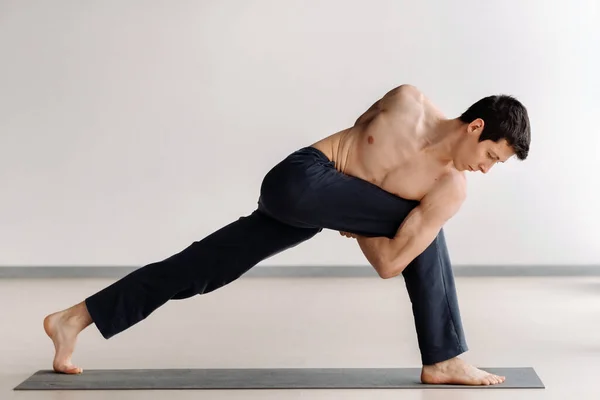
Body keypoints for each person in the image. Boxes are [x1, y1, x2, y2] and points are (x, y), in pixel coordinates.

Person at [43, 84, 530, 386]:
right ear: (476, 127)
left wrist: (354, 217)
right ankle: (445, 355)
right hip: (299, 176)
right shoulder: (408, 100)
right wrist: (357, 209)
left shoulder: (448, 187)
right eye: (492, 157)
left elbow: (389, 264)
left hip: (315, 208)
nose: (486, 170)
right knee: (425, 227)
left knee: (202, 267)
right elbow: (357, 134)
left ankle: (74, 319)